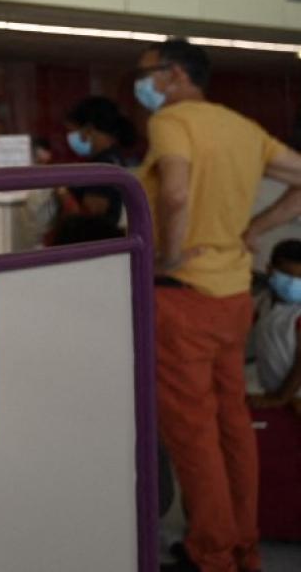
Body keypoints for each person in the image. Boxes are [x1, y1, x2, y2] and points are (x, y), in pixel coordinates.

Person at [135, 37, 301, 572]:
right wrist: (256, 228)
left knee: (193, 433)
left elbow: (175, 192)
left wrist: (169, 255)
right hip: (232, 298)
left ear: (176, 74)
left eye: (147, 73)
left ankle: (212, 554)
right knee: (233, 425)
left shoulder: (171, 121)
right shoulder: (243, 127)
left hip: (182, 297)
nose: (141, 84)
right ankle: (242, 547)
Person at [63, 95, 137, 225]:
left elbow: (94, 210)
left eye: (73, 131)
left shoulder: (104, 165)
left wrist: (62, 194)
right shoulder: (113, 157)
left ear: (88, 129)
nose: (71, 138)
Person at [248, 240, 301, 411]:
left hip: (293, 397)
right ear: (270, 270)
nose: (294, 283)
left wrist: (281, 397)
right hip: (274, 391)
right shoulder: (264, 301)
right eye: (288, 275)